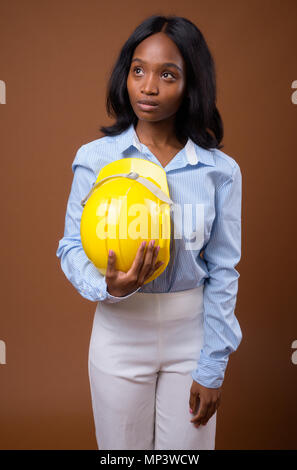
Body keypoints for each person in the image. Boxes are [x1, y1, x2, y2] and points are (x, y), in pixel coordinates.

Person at [56, 14, 243, 450]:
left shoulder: (221, 171)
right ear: (126, 75)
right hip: (119, 332)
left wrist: (213, 365)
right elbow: (69, 247)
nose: (149, 87)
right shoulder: (96, 158)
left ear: (192, 83)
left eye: (168, 74)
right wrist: (108, 287)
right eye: (138, 70)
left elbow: (224, 269)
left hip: (192, 336)